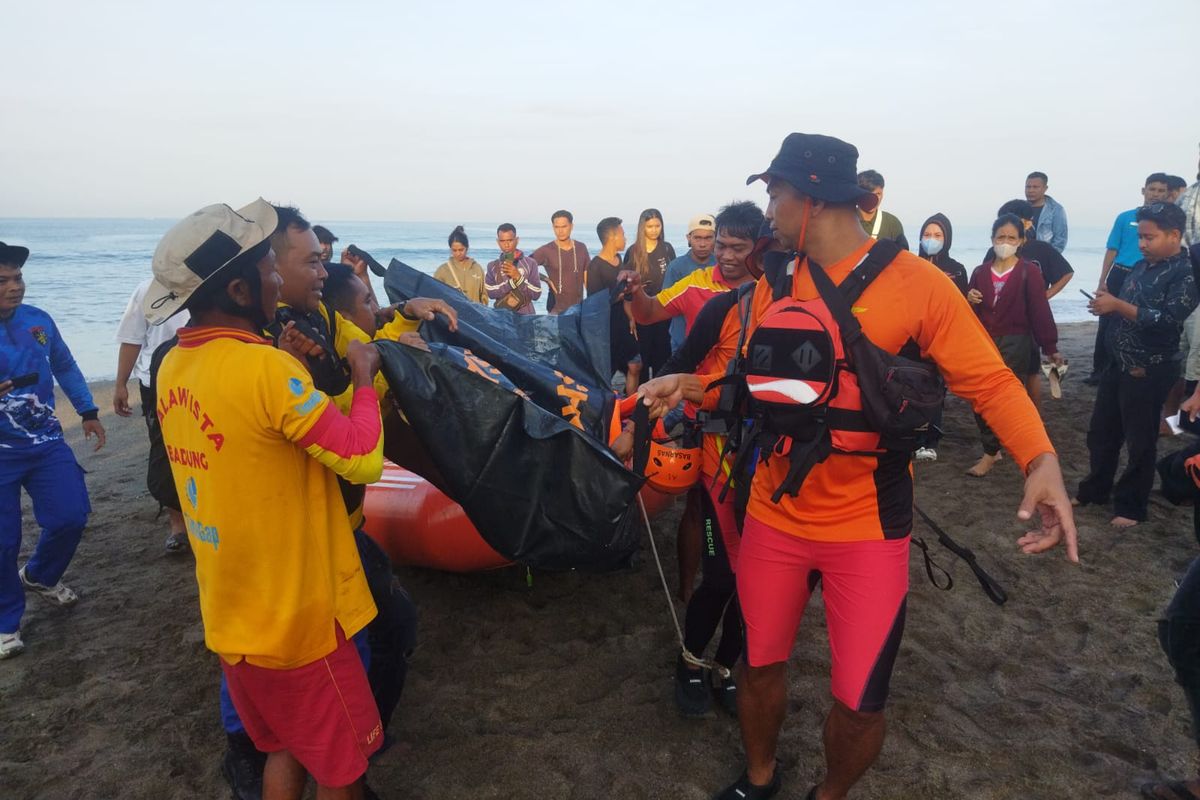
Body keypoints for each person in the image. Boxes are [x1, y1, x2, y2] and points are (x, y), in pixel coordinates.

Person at [637, 132, 1079, 800]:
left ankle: (830, 794)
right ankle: (760, 775)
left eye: (777, 193)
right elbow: (753, 384)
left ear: (814, 200)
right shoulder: (768, 287)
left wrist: (1039, 460)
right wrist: (691, 385)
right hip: (774, 513)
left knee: (860, 702)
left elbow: (990, 382)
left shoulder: (919, 285)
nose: (770, 210)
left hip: (867, 528)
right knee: (757, 666)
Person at [148, 199, 386, 800]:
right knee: (342, 770)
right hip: (301, 620)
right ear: (236, 286)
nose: (279, 279)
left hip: (232, 612)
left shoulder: (175, 364)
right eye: (269, 270)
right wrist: (362, 378)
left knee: (284, 747)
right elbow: (362, 457)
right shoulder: (267, 370)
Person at [0, 241, 105, 660]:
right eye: (3, 281)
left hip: (45, 443)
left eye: (18, 278)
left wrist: (88, 409)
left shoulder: (38, 320)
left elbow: (63, 364)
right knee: (3, 543)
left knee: (71, 515)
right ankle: (6, 622)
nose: (15, 287)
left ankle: (40, 575)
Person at [1076, 202, 1199, 528]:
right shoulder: (1142, 266)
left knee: (1140, 440)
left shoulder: (1185, 274)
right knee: (1101, 433)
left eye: (1149, 237)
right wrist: (1107, 305)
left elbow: (1167, 321)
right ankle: (1095, 490)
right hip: (1117, 365)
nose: (1142, 244)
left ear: (1174, 235)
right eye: (1141, 237)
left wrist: (1117, 304)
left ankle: (1131, 507)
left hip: (1149, 371)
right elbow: (1129, 309)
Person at [965, 214, 1065, 477]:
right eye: (1001, 237)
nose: (1005, 242)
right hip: (983, 340)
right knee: (979, 396)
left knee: (1005, 397)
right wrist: (970, 298)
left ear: (1021, 241)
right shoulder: (979, 272)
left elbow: (1039, 311)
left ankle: (994, 451)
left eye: (1011, 237)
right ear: (992, 239)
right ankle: (992, 449)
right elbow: (968, 312)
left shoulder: (1028, 272)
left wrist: (1050, 346)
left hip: (1016, 341)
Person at [114, 276, 189, 552]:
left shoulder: (212, 282)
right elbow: (132, 339)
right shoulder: (147, 289)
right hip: (154, 381)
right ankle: (178, 526)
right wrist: (121, 383)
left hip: (200, 375)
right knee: (166, 452)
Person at [1086, 173, 1173, 385]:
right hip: (1121, 273)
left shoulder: (1168, 223)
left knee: (1137, 320)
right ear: (1143, 190)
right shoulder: (1125, 217)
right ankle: (1100, 371)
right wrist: (1102, 279)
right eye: (1152, 189)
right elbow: (1112, 249)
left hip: (1150, 275)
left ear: (1167, 194)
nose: (1156, 194)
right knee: (1107, 322)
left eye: (1161, 191)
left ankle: (1132, 365)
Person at [913, 213, 967, 462]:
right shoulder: (911, 265)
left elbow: (961, 307)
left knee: (936, 391)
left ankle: (931, 441)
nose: (931, 239)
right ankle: (912, 438)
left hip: (941, 339)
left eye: (937, 235)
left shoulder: (956, 270)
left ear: (947, 239)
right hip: (912, 339)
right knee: (911, 387)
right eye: (926, 234)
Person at [587, 217, 641, 394]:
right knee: (605, 374)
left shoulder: (620, 260)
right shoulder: (595, 266)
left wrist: (632, 317)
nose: (625, 239)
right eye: (623, 235)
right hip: (607, 328)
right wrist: (617, 296)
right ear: (613, 237)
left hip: (624, 322)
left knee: (635, 366)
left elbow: (628, 295)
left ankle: (631, 409)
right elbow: (594, 305)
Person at [623, 209, 677, 375]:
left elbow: (675, 280)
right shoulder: (633, 252)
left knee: (663, 357)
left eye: (657, 226)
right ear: (642, 228)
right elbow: (626, 288)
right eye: (650, 226)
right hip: (641, 313)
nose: (654, 230)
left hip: (663, 311)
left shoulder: (667, 249)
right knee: (642, 359)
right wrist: (630, 316)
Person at [662, 214, 717, 350]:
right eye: (697, 238)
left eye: (708, 238)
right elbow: (665, 304)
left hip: (715, 342)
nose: (702, 244)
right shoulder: (676, 267)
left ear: (715, 238)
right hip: (682, 340)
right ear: (689, 238)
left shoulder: (722, 265)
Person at [531, 210, 589, 314]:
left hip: (578, 308)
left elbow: (586, 279)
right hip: (555, 309)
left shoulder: (581, 248)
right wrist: (546, 279)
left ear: (571, 226)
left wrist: (591, 303)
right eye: (557, 227)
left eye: (564, 227)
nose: (560, 231)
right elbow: (524, 267)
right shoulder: (546, 250)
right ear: (553, 227)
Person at [485, 223, 541, 315]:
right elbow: (490, 293)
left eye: (510, 240)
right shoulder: (492, 266)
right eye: (502, 241)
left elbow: (536, 294)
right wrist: (510, 284)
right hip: (502, 318)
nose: (506, 245)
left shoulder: (530, 263)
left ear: (517, 240)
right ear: (498, 242)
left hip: (526, 317)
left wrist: (518, 277)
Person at [856, 169, 909, 250]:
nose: (874, 199)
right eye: (869, 194)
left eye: (878, 194)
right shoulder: (845, 221)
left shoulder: (892, 224)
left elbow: (903, 257)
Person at [433, 226, 487, 305]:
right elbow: (435, 296)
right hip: (452, 316)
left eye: (461, 250)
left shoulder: (477, 269)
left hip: (475, 315)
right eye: (454, 250)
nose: (458, 253)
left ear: (467, 248)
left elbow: (484, 296)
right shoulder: (442, 271)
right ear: (450, 249)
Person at [1024, 171, 1069, 252]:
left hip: (1043, 258)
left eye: (1035, 187)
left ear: (1045, 188)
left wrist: (1047, 259)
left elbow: (1059, 242)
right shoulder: (1019, 209)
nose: (1031, 190)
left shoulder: (1056, 210)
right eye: (1028, 187)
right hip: (1020, 259)